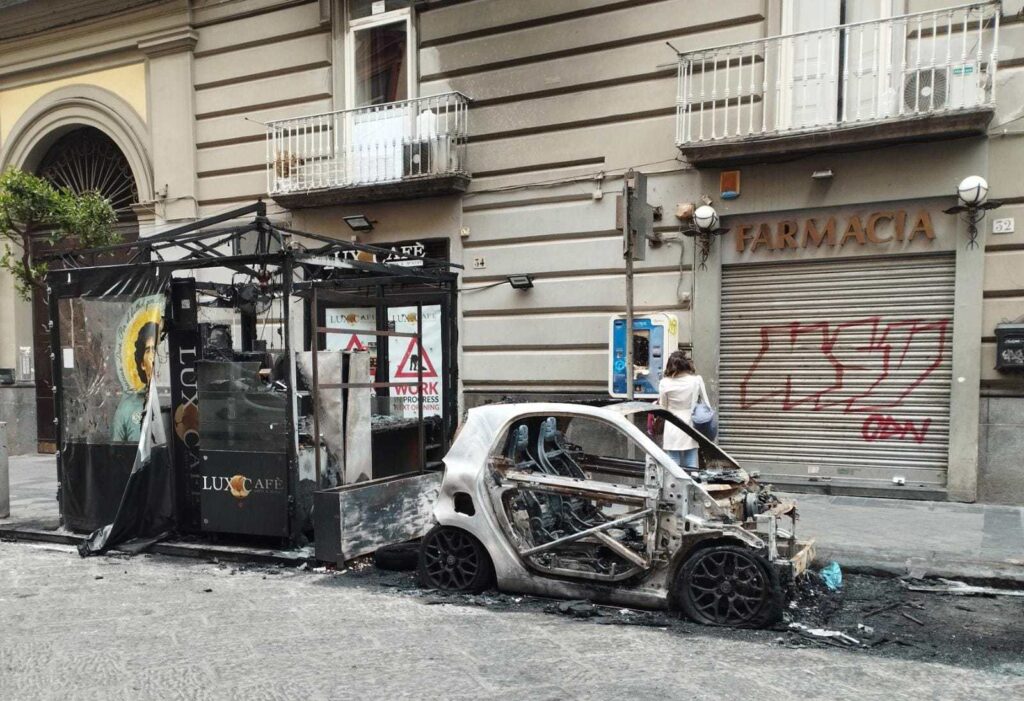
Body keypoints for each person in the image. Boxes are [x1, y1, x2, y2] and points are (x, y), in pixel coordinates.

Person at [657, 351, 705, 470]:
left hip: (672, 423)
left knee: (673, 462)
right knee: (691, 460)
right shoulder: (695, 381)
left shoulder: (664, 383)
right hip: (690, 423)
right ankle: (693, 486)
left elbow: (663, 406)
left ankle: (674, 487)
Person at [111, 321, 158, 442]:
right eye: (149, 350)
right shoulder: (127, 409)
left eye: (157, 350)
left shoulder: (175, 399)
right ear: (142, 364)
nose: (154, 356)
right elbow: (117, 452)